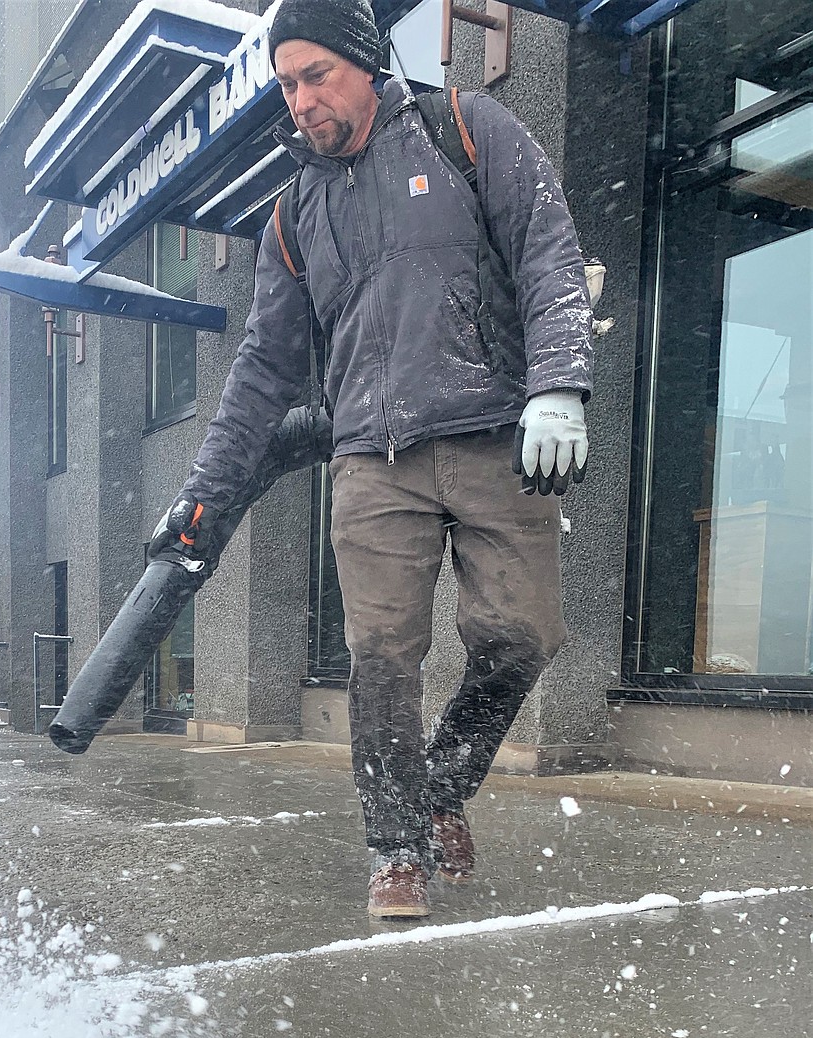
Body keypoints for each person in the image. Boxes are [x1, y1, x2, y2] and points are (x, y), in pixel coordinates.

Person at [151, 0, 594, 918]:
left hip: (490, 433)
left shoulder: (467, 129)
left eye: (317, 75)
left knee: (525, 636)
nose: (302, 99)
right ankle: (395, 845)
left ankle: (443, 791)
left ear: (365, 62)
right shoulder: (293, 214)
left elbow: (548, 251)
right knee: (381, 655)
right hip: (372, 462)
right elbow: (260, 372)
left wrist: (559, 384)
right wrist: (203, 492)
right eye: (287, 84)